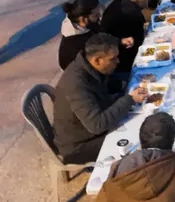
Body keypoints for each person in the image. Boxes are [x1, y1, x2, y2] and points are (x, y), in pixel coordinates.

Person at [53, 33, 150, 163]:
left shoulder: (88, 66)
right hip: (78, 146)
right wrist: (130, 99)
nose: (117, 61)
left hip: (90, 128)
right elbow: (97, 125)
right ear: (97, 60)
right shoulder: (76, 85)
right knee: (140, 138)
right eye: (113, 59)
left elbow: (108, 83)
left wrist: (126, 85)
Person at [100, 0, 154, 73]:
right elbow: (139, 39)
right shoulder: (132, 12)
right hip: (122, 55)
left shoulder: (122, 0)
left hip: (114, 45)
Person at [58, 0, 101, 71]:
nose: (99, 17)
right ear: (83, 19)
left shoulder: (86, 25)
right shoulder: (76, 44)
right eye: (96, 15)